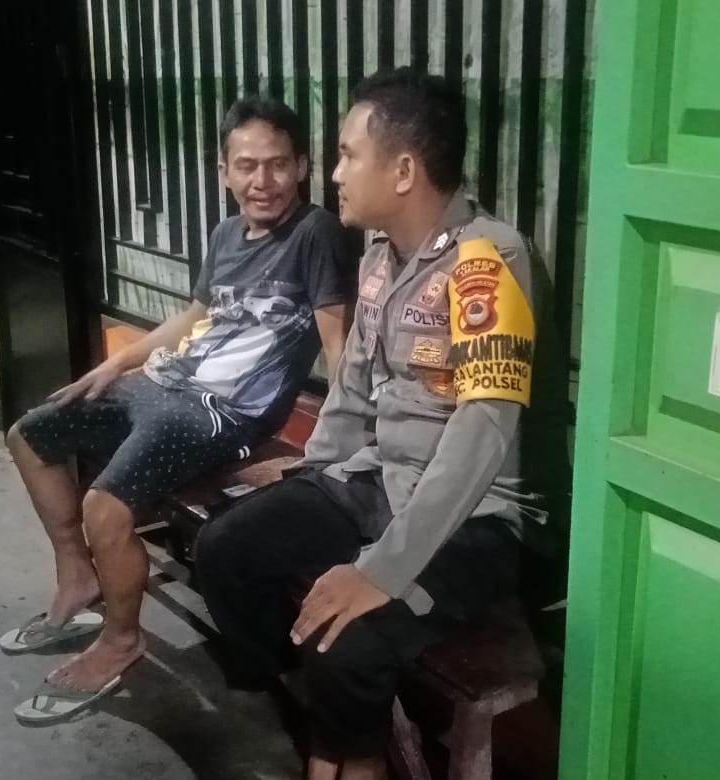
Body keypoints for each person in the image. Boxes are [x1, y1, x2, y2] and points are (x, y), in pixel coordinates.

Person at [196, 68, 571, 779]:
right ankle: (318, 716)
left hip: (483, 517)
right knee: (226, 548)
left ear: (402, 171)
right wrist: (313, 477)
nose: (334, 172)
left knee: (349, 641)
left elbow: (483, 431)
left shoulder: (487, 262)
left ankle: (352, 754)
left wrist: (384, 569)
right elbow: (352, 393)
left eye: (346, 154)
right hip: (383, 479)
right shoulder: (379, 259)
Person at [3, 96, 353, 724]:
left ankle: (121, 639)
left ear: (302, 166)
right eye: (246, 166)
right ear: (223, 171)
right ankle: (77, 574)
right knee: (30, 434)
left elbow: (337, 344)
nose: (263, 181)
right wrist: (116, 364)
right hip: (167, 383)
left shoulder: (316, 232)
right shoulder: (225, 234)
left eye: (278, 164)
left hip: (224, 412)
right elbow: (195, 317)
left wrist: (336, 446)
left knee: (106, 506)